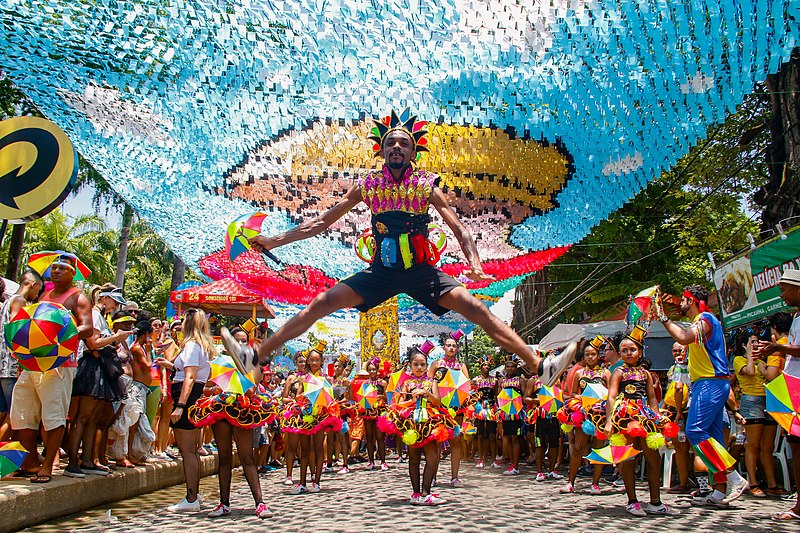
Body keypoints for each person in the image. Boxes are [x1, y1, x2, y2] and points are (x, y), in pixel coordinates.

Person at [251, 109, 574, 386]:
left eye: (403, 143)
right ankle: (257, 356)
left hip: (421, 272)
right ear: (381, 150)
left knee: (478, 310)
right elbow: (319, 223)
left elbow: (458, 228)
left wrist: (474, 264)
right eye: (390, 142)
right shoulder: (367, 185)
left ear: (413, 153)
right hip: (381, 272)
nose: (396, 147)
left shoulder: (426, 185)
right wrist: (272, 240)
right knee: (321, 303)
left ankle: (539, 365)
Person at [655, 285, 749, 506]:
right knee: (714, 439)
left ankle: (735, 478)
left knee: (695, 431)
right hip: (706, 384)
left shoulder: (705, 318)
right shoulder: (701, 320)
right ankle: (719, 492)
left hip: (711, 384)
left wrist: (663, 317)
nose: (681, 304)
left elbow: (685, 337)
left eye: (685, 300)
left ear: (694, 300)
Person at [11, 253, 93, 483]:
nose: (56, 271)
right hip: (33, 362)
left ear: (72, 273)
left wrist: (61, 335)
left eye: (62, 268)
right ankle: (30, 462)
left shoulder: (78, 297)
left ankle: (48, 466)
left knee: (54, 415)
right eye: (54, 267)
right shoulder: (44, 295)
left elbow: (88, 328)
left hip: (59, 363)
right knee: (22, 414)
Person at [190, 328, 275, 519]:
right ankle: (224, 503)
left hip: (243, 410)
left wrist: (245, 383)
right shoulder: (218, 363)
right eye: (236, 340)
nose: (239, 344)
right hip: (221, 411)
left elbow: (253, 390)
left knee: (247, 457)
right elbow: (205, 387)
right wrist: (213, 390)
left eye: (243, 341)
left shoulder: (252, 364)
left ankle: (260, 503)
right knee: (225, 457)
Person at [604, 325, 679, 517]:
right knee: (629, 458)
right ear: (619, 353)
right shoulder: (618, 372)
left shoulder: (646, 374)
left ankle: (655, 501)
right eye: (624, 350)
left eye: (633, 349)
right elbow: (611, 397)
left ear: (640, 351)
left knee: (653, 458)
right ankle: (632, 501)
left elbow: (652, 398)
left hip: (645, 418)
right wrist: (609, 421)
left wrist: (657, 418)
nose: (629, 353)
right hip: (625, 417)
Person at [379, 341, 455, 505]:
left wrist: (426, 393)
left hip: (429, 422)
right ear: (410, 366)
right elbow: (399, 403)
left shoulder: (431, 382)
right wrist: (407, 398)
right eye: (416, 364)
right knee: (413, 458)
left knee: (432, 458)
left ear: (427, 366)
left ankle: (426, 491)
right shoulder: (406, 383)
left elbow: (438, 402)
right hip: (412, 423)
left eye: (422, 364)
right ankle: (416, 493)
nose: (419, 368)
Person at [65, 285, 128, 478]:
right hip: (92, 367)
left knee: (93, 417)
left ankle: (87, 461)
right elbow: (92, 343)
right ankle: (73, 462)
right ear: (105, 299)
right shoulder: (94, 314)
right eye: (115, 302)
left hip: (100, 368)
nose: (115, 306)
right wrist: (116, 338)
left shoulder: (102, 317)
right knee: (83, 416)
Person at [154, 308, 213, 512]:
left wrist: (180, 405)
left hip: (186, 397)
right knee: (191, 451)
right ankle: (193, 495)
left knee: (187, 451)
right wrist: (171, 365)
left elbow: (190, 376)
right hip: (191, 395)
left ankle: (191, 498)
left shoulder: (191, 347)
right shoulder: (199, 347)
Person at [754, 269, 800, 521]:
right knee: (795, 445)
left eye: (784, 289)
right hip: (791, 388)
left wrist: (776, 347)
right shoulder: (795, 317)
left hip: (798, 388)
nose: (781, 295)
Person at [281, 341, 342, 494]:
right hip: (305, 415)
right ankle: (302, 482)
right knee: (305, 450)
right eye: (312, 360)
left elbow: (330, 398)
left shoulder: (326, 379)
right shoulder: (303, 379)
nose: (314, 363)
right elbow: (299, 395)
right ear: (308, 361)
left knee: (319, 448)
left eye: (317, 360)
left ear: (322, 361)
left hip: (321, 416)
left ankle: (316, 481)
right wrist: (304, 398)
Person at [732, 331, 783, 496]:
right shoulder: (739, 360)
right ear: (744, 345)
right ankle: (752, 483)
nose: (756, 345)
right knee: (752, 445)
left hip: (768, 400)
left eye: (757, 342)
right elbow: (751, 372)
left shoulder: (761, 360)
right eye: (752, 342)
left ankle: (772, 484)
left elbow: (769, 375)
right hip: (751, 401)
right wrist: (749, 354)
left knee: (767, 447)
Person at [558, 337, 609, 494]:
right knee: (579, 447)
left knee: (598, 449)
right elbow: (572, 392)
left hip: (600, 414)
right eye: (587, 354)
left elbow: (611, 393)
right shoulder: (579, 373)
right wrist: (582, 398)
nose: (590, 357)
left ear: (598, 355)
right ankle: (571, 481)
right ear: (584, 356)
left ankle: (595, 483)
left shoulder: (606, 373)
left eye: (593, 354)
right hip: (584, 414)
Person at [0, 269, 43, 441]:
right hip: (11, 367)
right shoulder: (19, 301)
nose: (37, 294)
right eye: (38, 290)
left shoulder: (8, 301)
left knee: (7, 413)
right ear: (32, 284)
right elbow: (18, 333)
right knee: (16, 415)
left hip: (3, 366)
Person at [429, 329, 470, 486]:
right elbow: (428, 383)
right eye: (448, 345)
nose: (451, 348)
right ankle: (432, 476)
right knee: (437, 441)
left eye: (454, 346)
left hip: (457, 407)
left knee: (456, 441)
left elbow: (467, 386)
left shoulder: (461, 366)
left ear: (457, 348)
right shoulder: (436, 364)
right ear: (443, 347)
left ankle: (454, 477)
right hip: (440, 407)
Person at [663, 342, 692, 494]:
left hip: (684, 410)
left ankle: (686, 482)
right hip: (676, 410)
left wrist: (679, 411)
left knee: (684, 448)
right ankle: (684, 481)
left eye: (680, 350)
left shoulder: (686, 366)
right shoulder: (673, 368)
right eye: (674, 350)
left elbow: (679, 388)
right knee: (681, 447)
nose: (677, 353)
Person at [153, 318, 182, 457]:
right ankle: (156, 448)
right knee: (159, 416)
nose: (179, 331)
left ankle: (162, 448)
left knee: (166, 417)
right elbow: (168, 362)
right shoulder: (169, 343)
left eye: (181, 329)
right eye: (176, 328)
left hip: (172, 379)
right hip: (166, 379)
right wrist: (181, 354)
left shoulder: (178, 344)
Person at [279, 351, 308, 486]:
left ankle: (308, 474)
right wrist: (292, 401)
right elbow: (283, 397)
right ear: (296, 363)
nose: (302, 364)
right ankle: (289, 474)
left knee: (306, 447)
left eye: (304, 362)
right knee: (291, 446)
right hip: (294, 414)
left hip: (308, 414)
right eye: (300, 362)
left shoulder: (311, 378)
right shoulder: (291, 378)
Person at [497, 357, 526, 475]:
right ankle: (511, 464)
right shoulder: (501, 381)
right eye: (508, 366)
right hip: (505, 412)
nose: (510, 369)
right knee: (507, 437)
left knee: (515, 438)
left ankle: (516, 465)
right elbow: (498, 396)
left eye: (512, 367)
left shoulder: (520, 380)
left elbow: (524, 395)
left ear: (516, 368)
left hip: (517, 412)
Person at [361, 358, 388, 471]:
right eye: (370, 370)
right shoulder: (365, 383)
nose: (372, 372)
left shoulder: (383, 382)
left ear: (377, 370)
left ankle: (383, 461)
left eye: (374, 370)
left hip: (380, 410)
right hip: (368, 411)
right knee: (369, 437)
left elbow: (387, 397)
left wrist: (379, 397)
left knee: (380, 436)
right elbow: (362, 397)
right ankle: (371, 461)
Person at [471, 358, 498, 469]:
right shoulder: (475, 380)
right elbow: (472, 395)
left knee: (492, 435)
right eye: (484, 365)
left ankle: (493, 459)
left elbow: (496, 395)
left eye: (488, 365)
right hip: (479, 408)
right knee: (480, 435)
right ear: (480, 367)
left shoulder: (494, 380)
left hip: (491, 408)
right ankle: (481, 459)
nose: (486, 367)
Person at [329, 354, 352, 474]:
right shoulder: (330, 380)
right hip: (331, 412)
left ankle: (345, 464)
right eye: (335, 366)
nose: (337, 368)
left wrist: (337, 402)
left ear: (343, 368)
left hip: (341, 412)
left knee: (342, 438)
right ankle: (328, 463)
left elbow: (348, 398)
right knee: (330, 438)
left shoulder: (345, 381)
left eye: (339, 366)